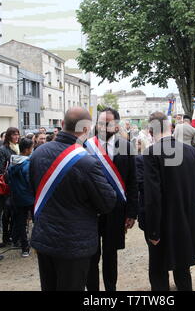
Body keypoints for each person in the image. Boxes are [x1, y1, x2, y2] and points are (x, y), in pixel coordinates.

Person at [30, 107, 117, 291]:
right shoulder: (87, 162)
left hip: (45, 238)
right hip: (74, 244)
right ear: (86, 129)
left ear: (62, 125)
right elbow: (108, 202)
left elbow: (33, 190)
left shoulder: (38, 153)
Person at [143, 112, 195, 291]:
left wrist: (153, 231)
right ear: (171, 128)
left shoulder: (151, 153)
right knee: (183, 270)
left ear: (150, 131)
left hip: (162, 223)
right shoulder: (191, 151)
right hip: (186, 220)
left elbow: (152, 197)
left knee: (158, 272)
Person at [86, 107, 138, 292]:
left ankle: (110, 290)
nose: (102, 126)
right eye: (100, 122)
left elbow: (133, 181)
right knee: (91, 255)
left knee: (110, 255)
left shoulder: (127, 147)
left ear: (116, 125)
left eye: (107, 123)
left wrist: (132, 212)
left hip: (116, 211)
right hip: (90, 212)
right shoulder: (86, 146)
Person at [8, 138, 34, 258]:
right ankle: (36, 243)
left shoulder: (12, 161)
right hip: (29, 197)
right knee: (36, 221)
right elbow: (30, 181)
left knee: (20, 223)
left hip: (16, 197)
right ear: (28, 149)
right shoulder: (27, 164)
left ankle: (24, 247)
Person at [0, 127, 20, 246]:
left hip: (17, 184)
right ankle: (6, 236)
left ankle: (13, 235)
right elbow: (2, 168)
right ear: (9, 136)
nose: (16, 137)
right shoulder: (3, 149)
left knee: (15, 212)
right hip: (8, 184)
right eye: (14, 135)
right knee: (7, 213)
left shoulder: (18, 147)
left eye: (17, 134)